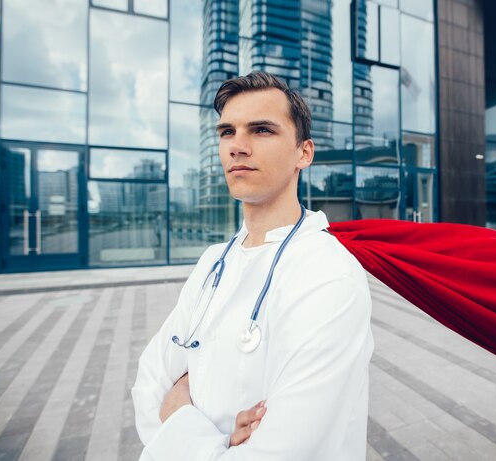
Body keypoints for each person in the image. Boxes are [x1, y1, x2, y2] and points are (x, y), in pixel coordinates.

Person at [131, 71, 374, 460]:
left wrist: (180, 419)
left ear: (304, 153)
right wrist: (221, 443)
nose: (236, 147)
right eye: (227, 132)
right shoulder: (214, 261)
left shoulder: (329, 276)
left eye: (261, 130)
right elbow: (147, 388)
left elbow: (281, 454)